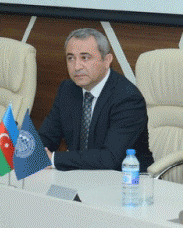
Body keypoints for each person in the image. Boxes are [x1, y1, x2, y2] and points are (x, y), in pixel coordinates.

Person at [39, 28, 154, 171]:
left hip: (124, 179)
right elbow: (47, 136)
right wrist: (33, 151)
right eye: (71, 58)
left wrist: (54, 159)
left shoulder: (127, 98)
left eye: (85, 58)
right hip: (78, 175)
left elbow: (110, 158)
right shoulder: (67, 90)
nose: (77, 66)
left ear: (107, 60)